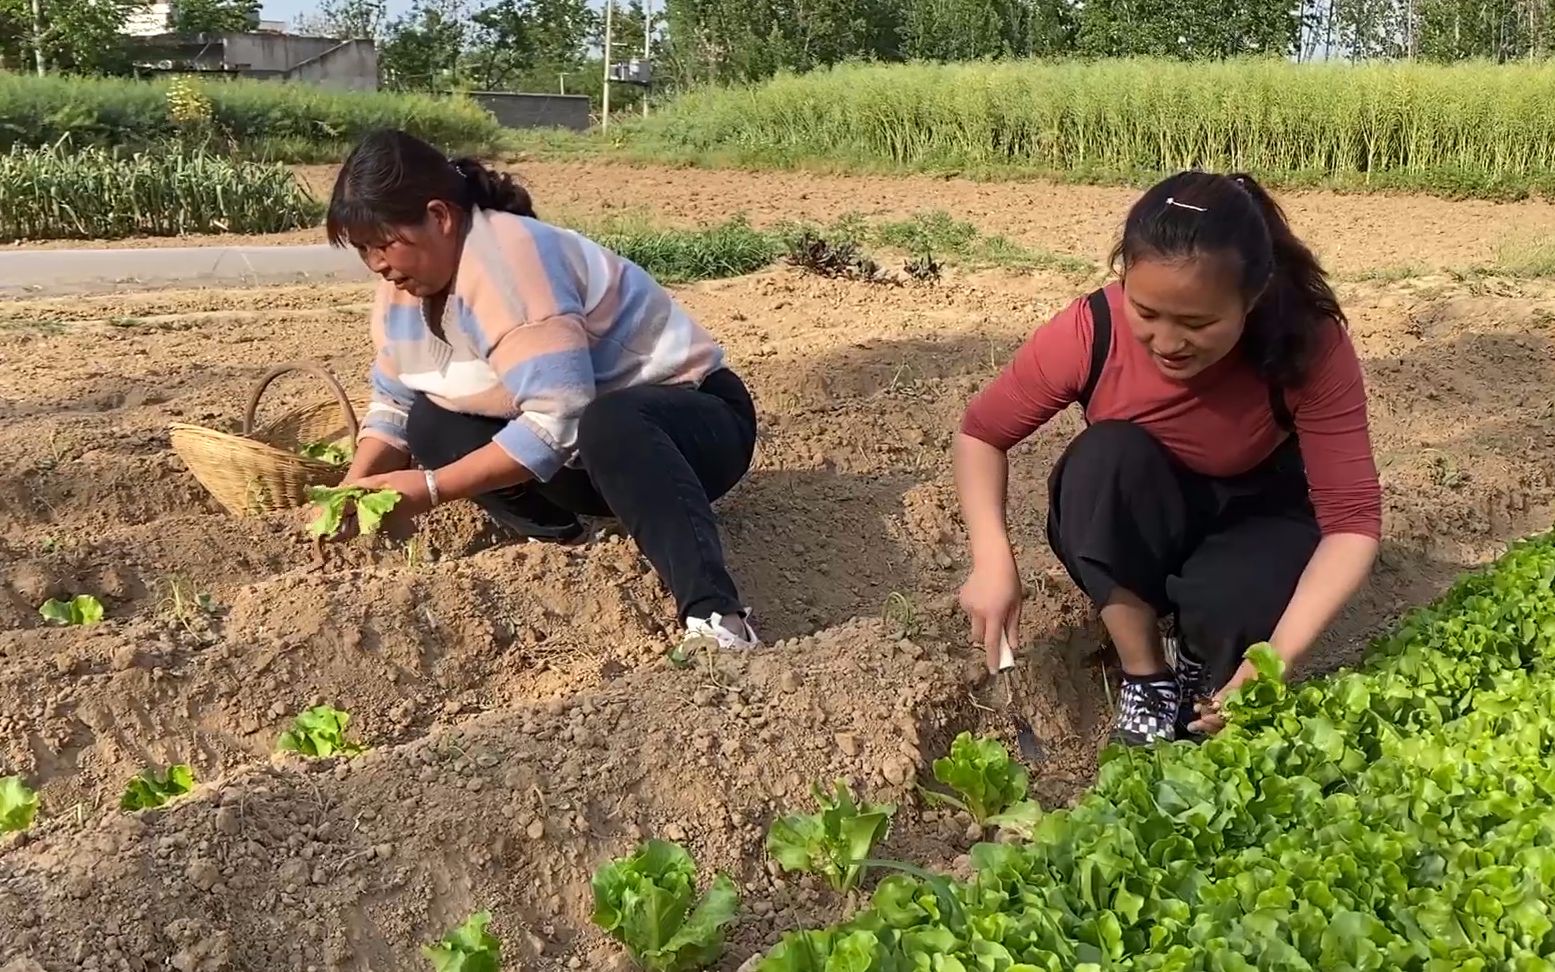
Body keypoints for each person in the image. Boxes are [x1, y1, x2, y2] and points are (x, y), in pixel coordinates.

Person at [954, 171, 1381, 745]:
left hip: (1258, 512)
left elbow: (1351, 523)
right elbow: (982, 433)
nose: (1167, 342)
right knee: (1101, 460)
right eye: (1147, 312)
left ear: (1251, 301)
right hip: (1147, 505)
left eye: (1198, 323)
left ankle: (1204, 669)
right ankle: (1146, 674)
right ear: (1124, 279)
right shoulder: (1092, 331)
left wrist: (1272, 662)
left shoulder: (1308, 343)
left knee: (1237, 608)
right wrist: (991, 559)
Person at [320, 128, 760, 654]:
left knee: (610, 422)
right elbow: (393, 401)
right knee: (430, 422)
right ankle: (564, 542)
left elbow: (560, 418)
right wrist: (349, 491)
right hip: (588, 462)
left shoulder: (511, 264)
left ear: (439, 217)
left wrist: (430, 489)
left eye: (385, 243)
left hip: (694, 429)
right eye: (365, 250)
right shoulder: (403, 290)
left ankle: (718, 618)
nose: (378, 265)